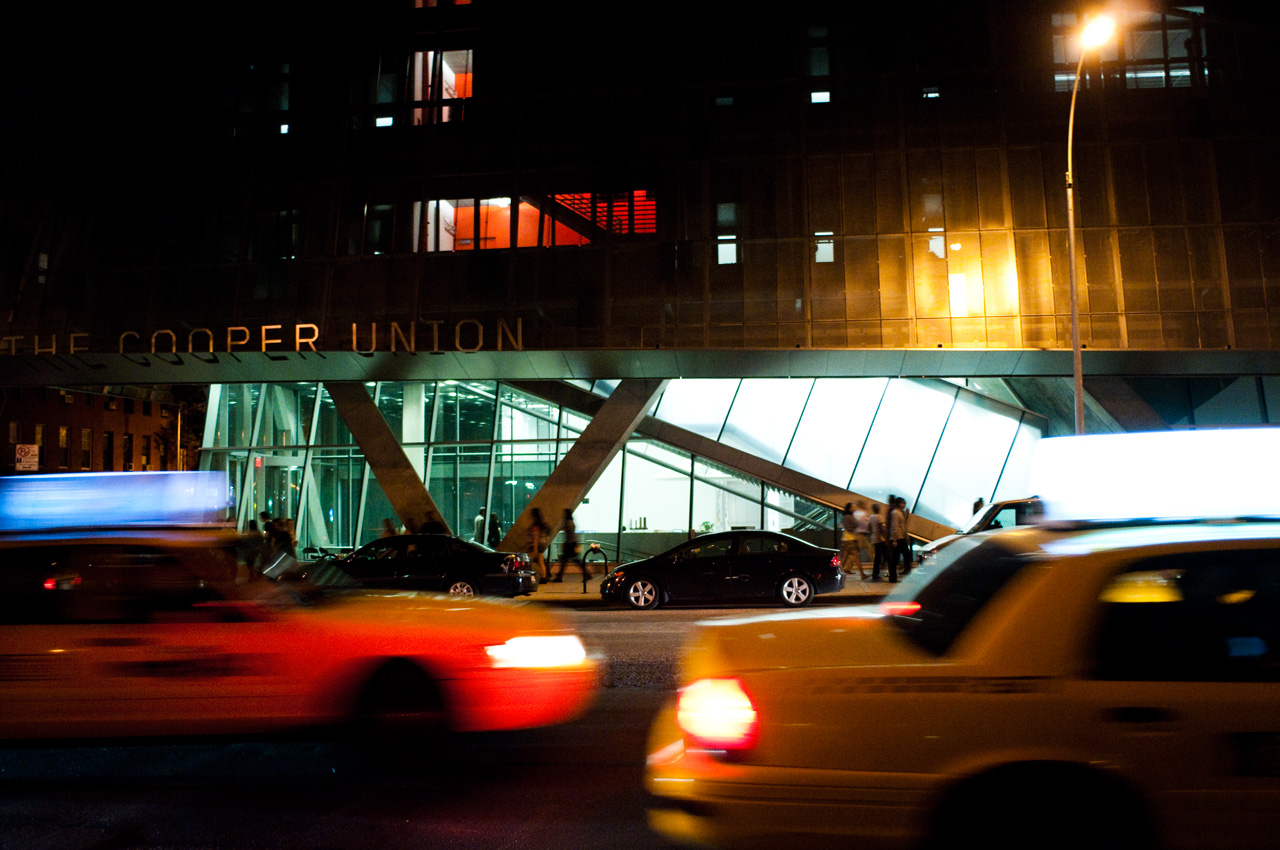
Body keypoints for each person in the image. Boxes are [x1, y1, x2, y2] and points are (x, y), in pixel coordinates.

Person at [553, 509, 579, 583]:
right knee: (573, 561)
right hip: (572, 543)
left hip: (570, 544)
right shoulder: (571, 522)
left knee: (565, 561)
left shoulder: (568, 523)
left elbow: (568, 534)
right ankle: (559, 576)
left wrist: (565, 544)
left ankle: (559, 577)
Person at [527, 507, 550, 582]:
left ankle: (542, 576)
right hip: (542, 544)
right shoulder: (542, 524)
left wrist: (535, 548)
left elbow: (536, 537)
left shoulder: (536, 525)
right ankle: (544, 576)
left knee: (530, 561)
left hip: (538, 545)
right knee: (541, 562)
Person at [887, 498, 907, 582]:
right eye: (903, 503)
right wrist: (894, 540)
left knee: (901, 557)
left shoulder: (899, 513)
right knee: (896, 558)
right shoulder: (895, 513)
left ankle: (893, 577)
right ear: (899, 503)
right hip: (898, 538)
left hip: (901, 537)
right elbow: (895, 527)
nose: (904, 505)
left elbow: (902, 525)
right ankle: (892, 577)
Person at [868, 503, 888, 581]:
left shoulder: (871, 517)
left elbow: (869, 527)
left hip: (874, 538)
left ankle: (875, 573)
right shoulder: (880, 517)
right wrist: (885, 537)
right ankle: (882, 566)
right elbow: (882, 528)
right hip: (880, 539)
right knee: (886, 555)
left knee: (877, 556)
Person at [852, 500, 872, 580]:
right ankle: (877, 569)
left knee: (856, 554)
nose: (867, 506)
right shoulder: (864, 514)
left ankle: (860, 572)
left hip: (856, 534)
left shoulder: (855, 514)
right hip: (863, 535)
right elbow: (867, 524)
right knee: (871, 552)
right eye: (865, 504)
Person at [839, 503, 858, 576]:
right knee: (856, 557)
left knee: (846, 556)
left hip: (848, 539)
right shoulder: (848, 517)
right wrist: (854, 527)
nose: (854, 508)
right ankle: (862, 574)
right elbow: (850, 527)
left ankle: (841, 569)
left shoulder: (847, 517)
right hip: (849, 539)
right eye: (853, 507)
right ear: (849, 508)